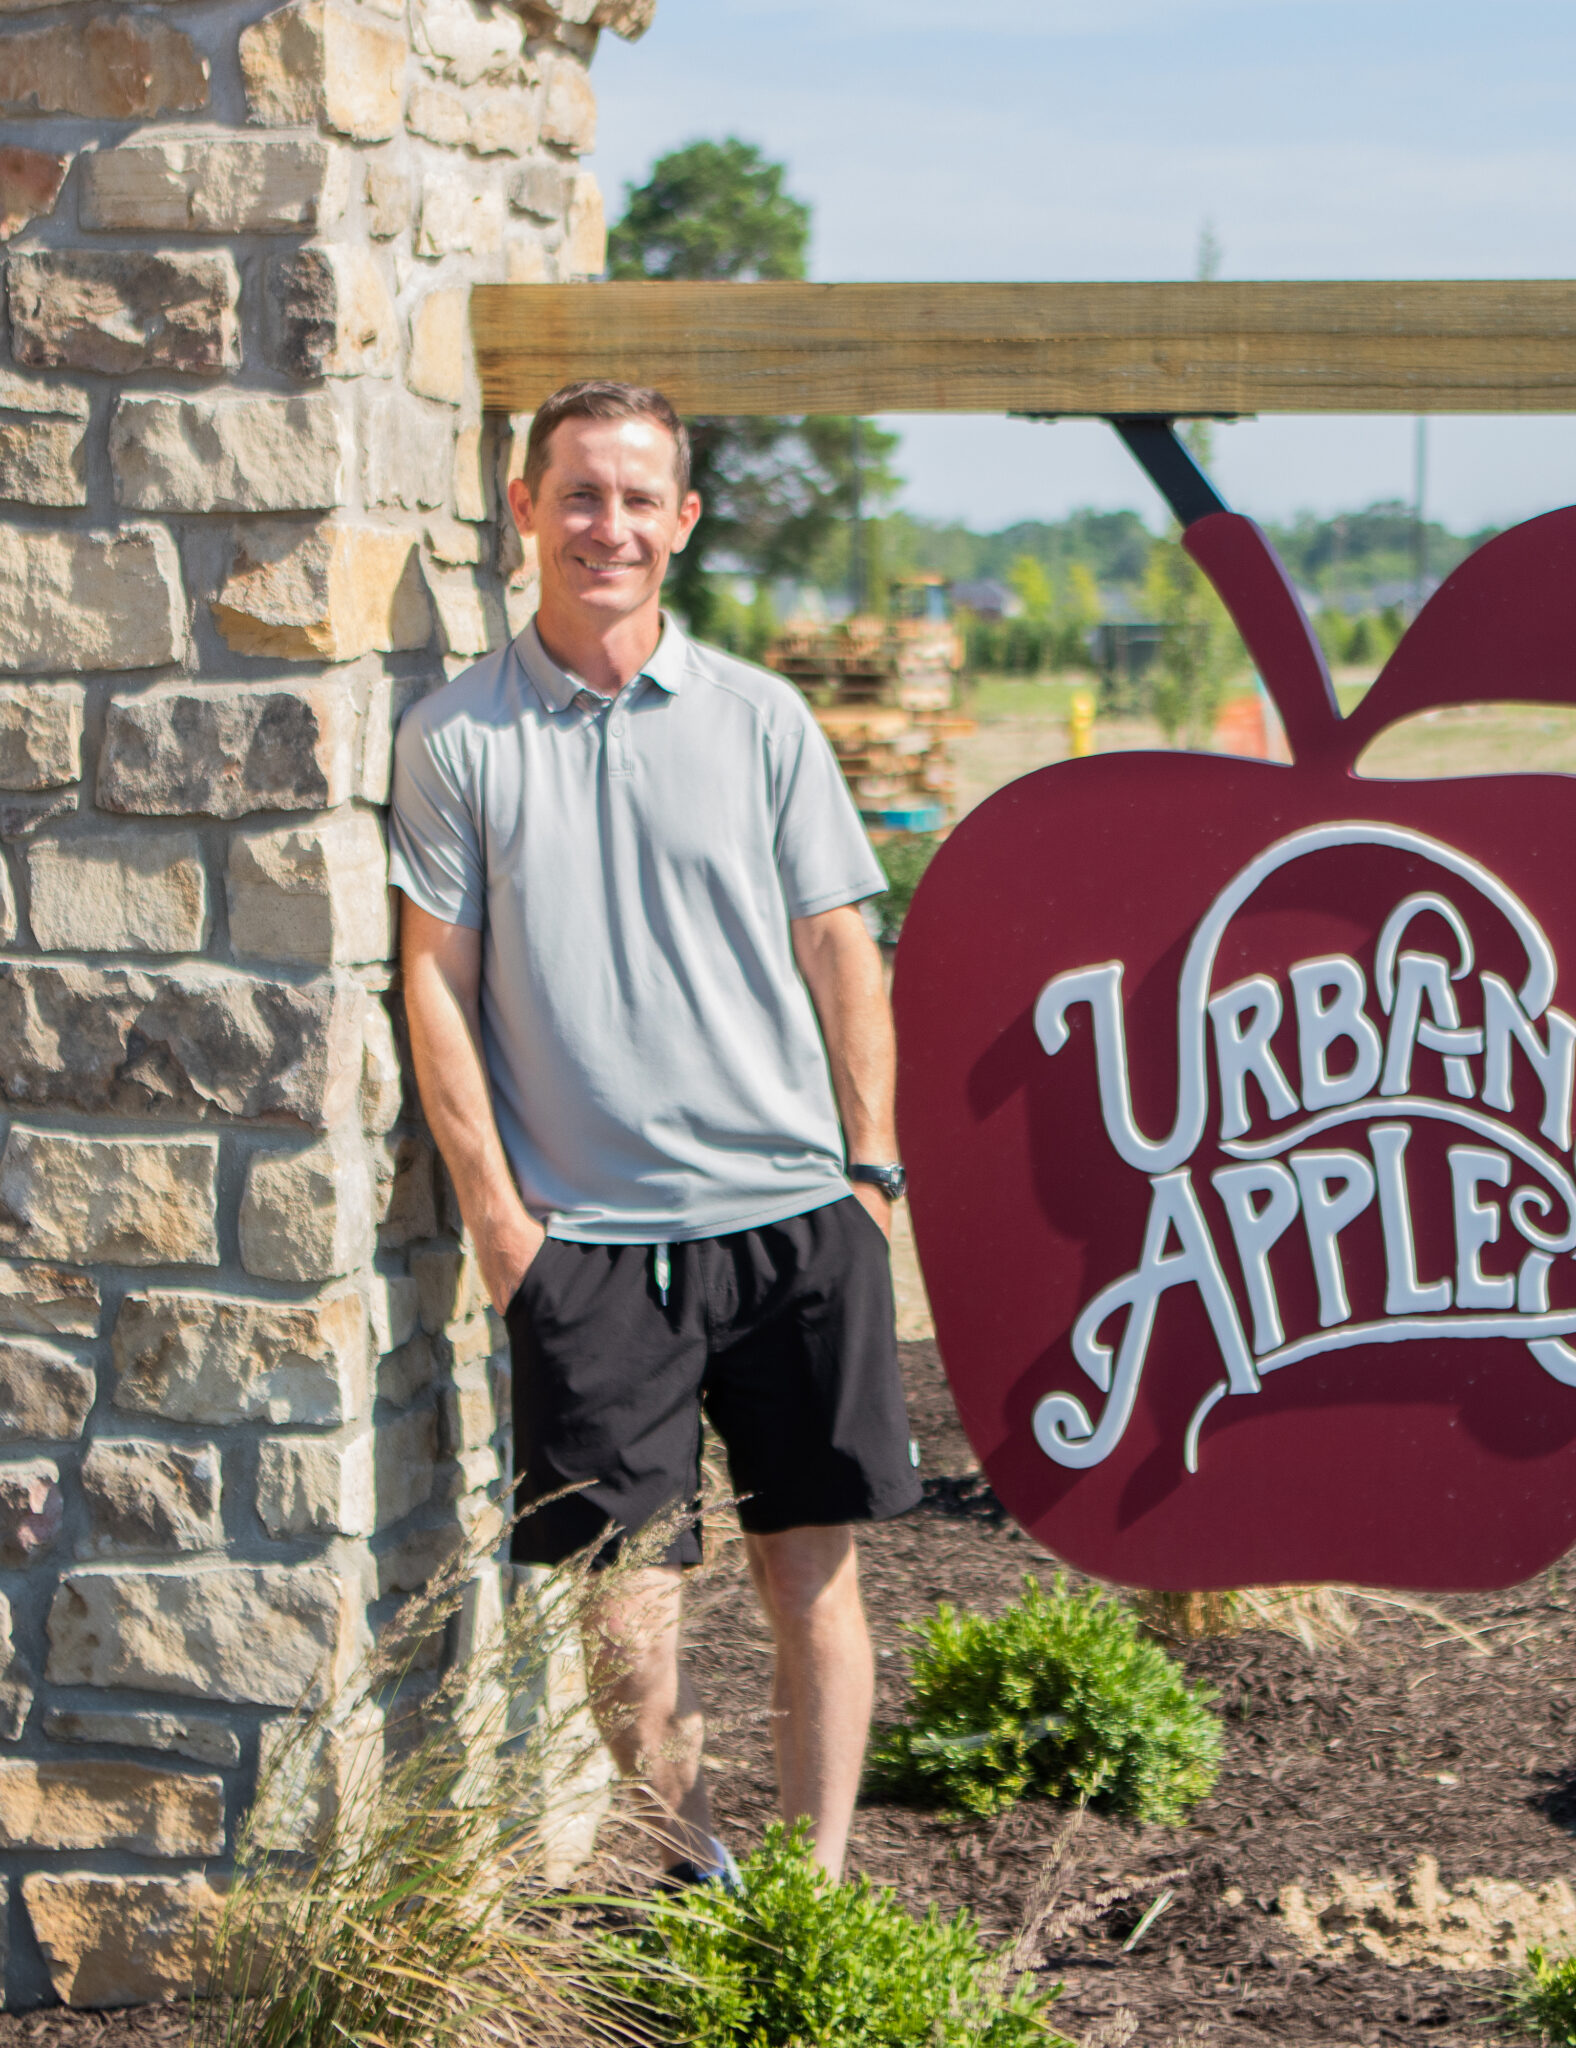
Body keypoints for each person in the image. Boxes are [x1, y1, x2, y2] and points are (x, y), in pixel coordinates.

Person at [388, 379, 920, 1888]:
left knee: (809, 1566)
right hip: (589, 1244)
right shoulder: (456, 738)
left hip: (792, 1219)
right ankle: (692, 1866)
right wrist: (502, 1227)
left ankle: (810, 1894)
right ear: (524, 512)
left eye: (637, 498)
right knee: (626, 1604)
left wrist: (869, 1174)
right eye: (578, 493)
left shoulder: (762, 720)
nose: (605, 524)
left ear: (681, 524)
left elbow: (841, 949)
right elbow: (435, 979)